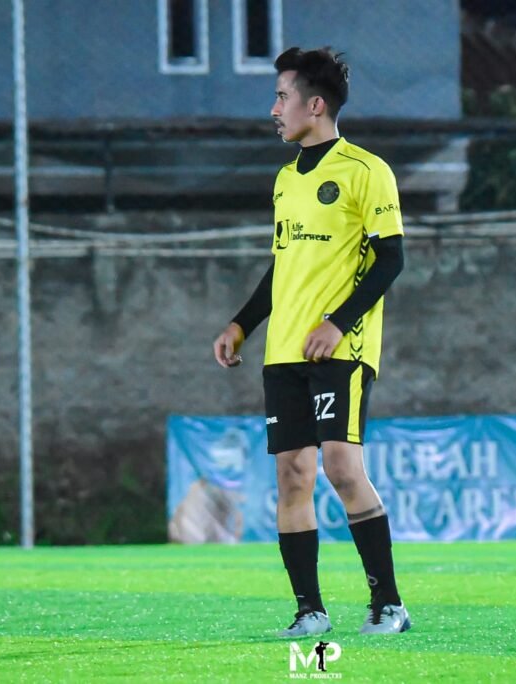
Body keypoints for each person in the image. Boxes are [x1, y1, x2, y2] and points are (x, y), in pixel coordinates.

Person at [212, 46, 411, 637]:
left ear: (315, 105)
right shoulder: (284, 180)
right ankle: (310, 611)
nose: (274, 109)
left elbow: (390, 259)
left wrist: (338, 323)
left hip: (340, 349)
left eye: (282, 97)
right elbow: (283, 267)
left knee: (342, 467)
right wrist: (241, 324)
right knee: (293, 476)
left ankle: (389, 605)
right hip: (284, 352)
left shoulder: (366, 171)